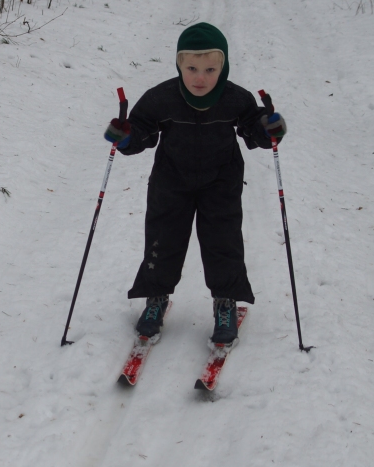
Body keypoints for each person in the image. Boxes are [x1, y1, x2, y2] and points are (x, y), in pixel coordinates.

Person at [103, 23, 286, 347]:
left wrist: (268, 129)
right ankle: (156, 297)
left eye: (210, 70)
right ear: (179, 65)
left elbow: (253, 128)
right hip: (171, 179)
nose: (200, 78)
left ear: (223, 67)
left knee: (223, 240)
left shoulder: (235, 97)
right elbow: (141, 130)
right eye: (191, 69)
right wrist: (126, 136)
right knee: (163, 238)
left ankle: (225, 301)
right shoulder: (161, 97)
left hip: (221, 180)